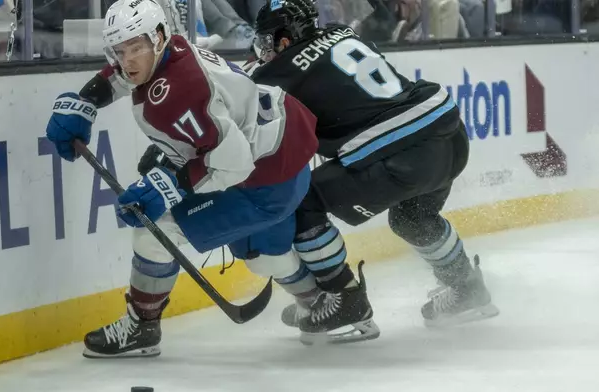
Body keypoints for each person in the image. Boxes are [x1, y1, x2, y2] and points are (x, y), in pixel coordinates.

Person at [45, 0, 320, 358]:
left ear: (158, 36)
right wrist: (86, 102)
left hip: (261, 180)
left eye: (136, 48)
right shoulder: (173, 48)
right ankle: (317, 303)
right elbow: (124, 73)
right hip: (284, 158)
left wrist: (170, 184)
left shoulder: (180, 92)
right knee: (263, 255)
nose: (127, 61)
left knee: (154, 226)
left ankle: (141, 327)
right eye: (119, 50)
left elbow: (233, 163)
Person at [247, 0, 499, 339]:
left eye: (267, 43)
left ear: (284, 39)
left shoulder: (276, 72)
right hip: (449, 135)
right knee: (413, 218)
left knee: (303, 199)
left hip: (405, 155)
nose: (264, 52)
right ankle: (467, 288)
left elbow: (248, 96)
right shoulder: (341, 33)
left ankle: (346, 303)